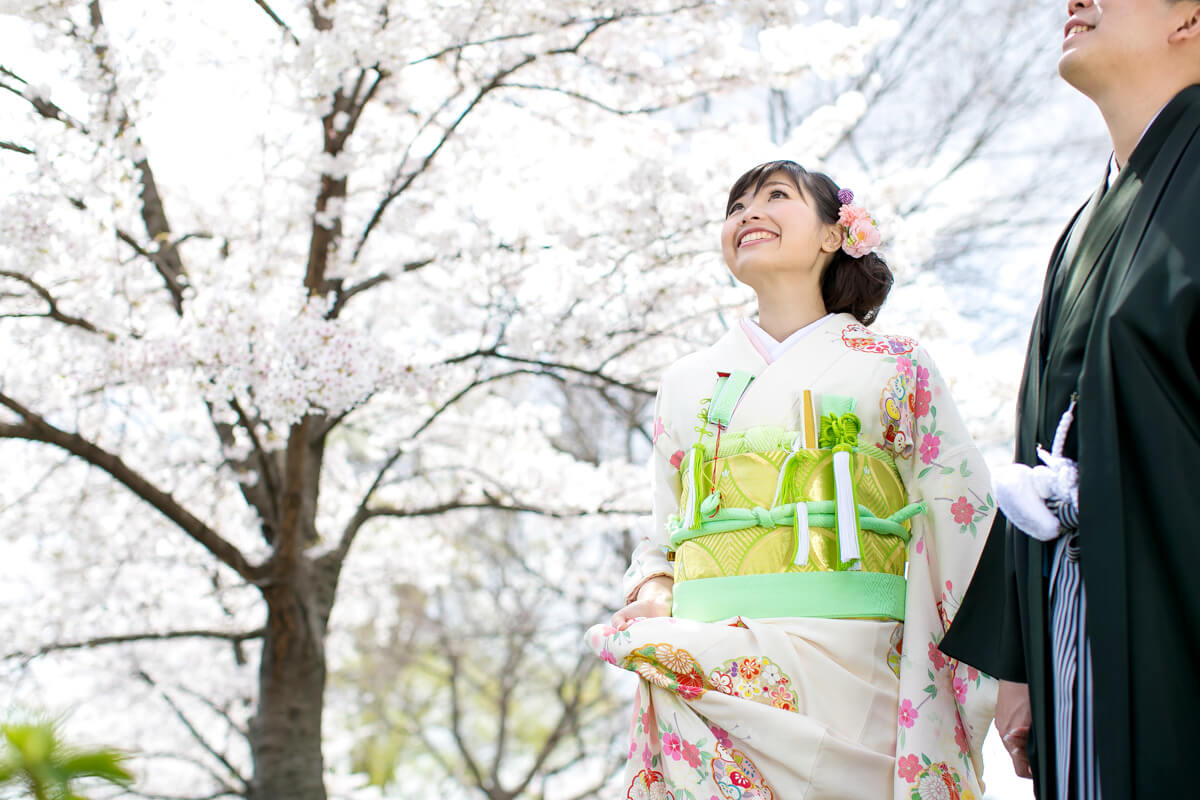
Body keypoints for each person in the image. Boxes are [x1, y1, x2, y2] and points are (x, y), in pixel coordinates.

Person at [586, 160, 997, 800]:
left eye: (775, 197)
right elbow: (667, 529)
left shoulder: (897, 365)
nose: (748, 213)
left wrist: (1000, 672)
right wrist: (656, 583)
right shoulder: (686, 382)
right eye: (736, 205)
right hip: (708, 666)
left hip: (859, 662)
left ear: (836, 235)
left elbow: (961, 512)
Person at [937, 0, 1200, 797]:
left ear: (1189, 18)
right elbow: (1041, 439)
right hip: (1073, 603)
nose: (1073, 1)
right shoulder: (1084, 226)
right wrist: (1018, 659)